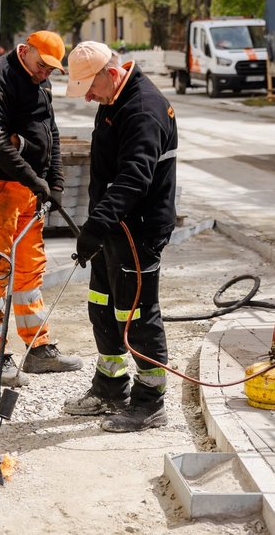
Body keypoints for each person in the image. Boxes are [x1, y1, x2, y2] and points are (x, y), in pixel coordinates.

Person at [62, 41, 178, 432]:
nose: (89, 97)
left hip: (138, 229)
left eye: (90, 88)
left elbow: (133, 179)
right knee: (102, 305)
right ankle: (111, 386)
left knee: (138, 316)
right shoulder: (114, 102)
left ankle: (150, 402)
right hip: (113, 227)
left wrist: (95, 226)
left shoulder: (143, 109)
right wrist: (98, 225)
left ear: (111, 74)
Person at [0, 30, 83, 387]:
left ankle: (38, 348)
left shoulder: (41, 82)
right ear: (25, 50)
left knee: (30, 269)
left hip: (27, 188)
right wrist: (35, 179)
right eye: (42, 65)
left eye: (51, 69)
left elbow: (52, 132)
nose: (46, 73)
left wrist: (56, 183)